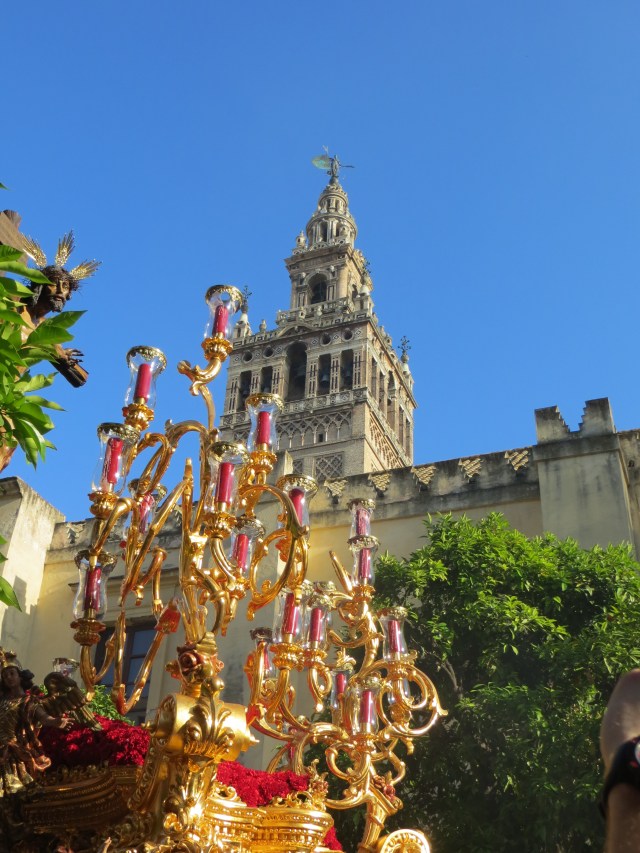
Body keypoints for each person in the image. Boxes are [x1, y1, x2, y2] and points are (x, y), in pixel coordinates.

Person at [0, 655, 71, 796]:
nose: (8, 677)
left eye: (12, 673)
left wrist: (56, 722)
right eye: (5, 675)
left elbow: (43, 717)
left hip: (14, 752)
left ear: (20, 677)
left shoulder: (29, 701)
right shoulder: (2, 701)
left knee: (14, 790)